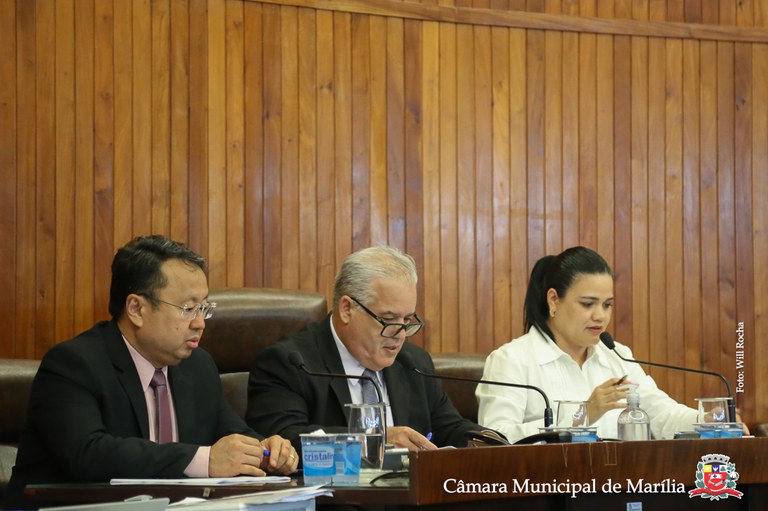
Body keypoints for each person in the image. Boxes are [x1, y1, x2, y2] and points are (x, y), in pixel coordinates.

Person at [4, 235, 298, 509]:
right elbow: (89, 454)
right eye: (188, 308)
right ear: (136, 309)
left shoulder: (197, 366)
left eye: (204, 308)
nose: (200, 323)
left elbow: (232, 435)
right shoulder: (74, 364)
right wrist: (205, 460)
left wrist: (267, 451)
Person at [476, 246, 741, 443]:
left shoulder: (617, 356)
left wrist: (705, 420)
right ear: (554, 300)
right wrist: (585, 414)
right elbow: (495, 439)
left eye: (607, 305)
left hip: (620, 485)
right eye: (588, 304)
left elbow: (660, 413)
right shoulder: (512, 360)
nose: (600, 316)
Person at [246, 245, 484, 453]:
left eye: (407, 320)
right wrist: (376, 440)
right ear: (347, 309)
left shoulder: (413, 363)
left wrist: (491, 442)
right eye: (388, 319)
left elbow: (450, 428)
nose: (400, 334)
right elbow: (284, 441)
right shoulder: (291, 363)